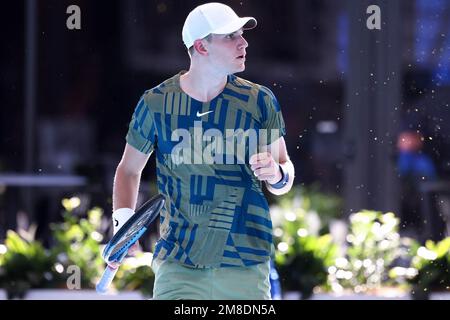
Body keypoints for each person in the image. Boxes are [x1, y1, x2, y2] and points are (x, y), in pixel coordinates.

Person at [109, 2, 295, 300]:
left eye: (241, 35)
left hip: (245, 265)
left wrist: (277, 173)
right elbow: (129, 170)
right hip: (178, 264)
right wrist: (123, 226)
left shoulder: (260, 101)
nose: (243, 42)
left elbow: (285, 176)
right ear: (201, 46)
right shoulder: (156, 103)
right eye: (230, 36)